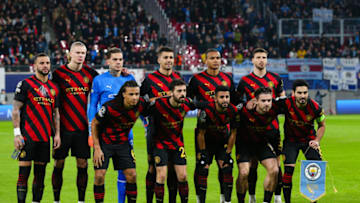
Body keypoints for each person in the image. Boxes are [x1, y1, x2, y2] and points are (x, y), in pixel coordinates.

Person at [236, 48, 285, 203]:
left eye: (264, 57)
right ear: (252, 60)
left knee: (276, 165)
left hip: (271, 129)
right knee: (252, 167)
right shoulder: (245, 81)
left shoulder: (276, 78)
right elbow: (237, 102)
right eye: (258, 57)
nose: (261, 60)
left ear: (267, 60)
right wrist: (246, 105)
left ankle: (276, 196)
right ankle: (251, 197)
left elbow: (282, 100)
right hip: (250, 129)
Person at [51, 41, 98, 203]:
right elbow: (54, 103)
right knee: (58, 164)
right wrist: (55, 131)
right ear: (69, 54)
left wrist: (123, 73)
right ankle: (56, 200)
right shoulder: (58, 74)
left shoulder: (91, 74)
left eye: (83, 53)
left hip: (82, 128)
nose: (80, 56)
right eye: (77, 52)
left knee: (83, 164)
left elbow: (104, 89)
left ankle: (81, 201)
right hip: (63, 128)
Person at [187, 48, 236, 203]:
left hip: (223, 131)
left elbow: (234, 100)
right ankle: (199, 199)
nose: (216, 60)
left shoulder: (228, 79)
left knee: (226, 166)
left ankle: (224, 199)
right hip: (204, 130)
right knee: (202, 167)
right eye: (212, 58)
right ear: (205, 61)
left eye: (218, 58)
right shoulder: (197, 79)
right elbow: (188, 101)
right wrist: (207, 105)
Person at [88, 47, 135, 203]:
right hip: (103, 135)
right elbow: (92, 106)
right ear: (107, 61)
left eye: (120, 59)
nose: (118, 62)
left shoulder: (129, 80)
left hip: (125, 135)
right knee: (100, 175)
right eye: (115, 59)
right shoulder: (99, 80)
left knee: (126, 173)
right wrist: (90, 131)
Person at [12, 53, 61, 203]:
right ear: (35, 66)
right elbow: (15, 110)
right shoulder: (26, 84)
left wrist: (57, 135)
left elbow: (56, 114)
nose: (45, 66)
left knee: (40, 176)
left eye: (47, 63)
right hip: (27, 137)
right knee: (23, 175)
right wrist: (17, 134)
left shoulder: (54, 88)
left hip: (44, 139)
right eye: (42, 63)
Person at [92, 80, 150, 203]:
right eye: (131, 94)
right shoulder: (110, 107)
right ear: (123, 94)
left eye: (137, 94)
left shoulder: (140, 104)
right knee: (99, 176)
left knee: (132, 175)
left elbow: (155, 101)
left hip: (123, 143)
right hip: (105, 143)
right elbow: (95, 123)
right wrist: (97, 148)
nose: (135, 97)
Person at [140, 46, 182, 203]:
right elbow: (142, 107)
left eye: (171, 57)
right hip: (155, 133)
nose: (169, 60)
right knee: (153, 168)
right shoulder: (150, 80)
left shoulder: (178, 79)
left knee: (173, 169)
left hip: (175, 132)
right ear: (159, 60)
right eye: (165, 57)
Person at [151, 79, 203, 203]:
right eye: (179, 91)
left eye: (184, 91)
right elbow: (142, 109)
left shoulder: (186, 104)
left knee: (183, 176)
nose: (183, 94)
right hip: (160, 144)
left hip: (177, 144)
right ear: (170, 93)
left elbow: (205, 105)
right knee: (162, 176)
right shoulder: (158, 104)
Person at [281, 80, 325, 203]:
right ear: (293, 93)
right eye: (299, 93)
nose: (302, 96)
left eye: (305, 93)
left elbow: (322, 125)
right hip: (291, 141)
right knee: (288, 171)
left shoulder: (315, 107)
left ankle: (314, 201)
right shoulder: (286, 104)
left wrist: (317, 140)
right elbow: (271, 111)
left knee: (315, 168)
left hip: (309, 140)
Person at [196, 85, 240, 203]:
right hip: (207, 143)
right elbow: (200, 134)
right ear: (215, 98)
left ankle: (227, 200)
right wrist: (203, 153)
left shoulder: (233, 110)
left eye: (227, 97)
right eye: (221, 97)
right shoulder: (206, 112)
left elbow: (234, 133)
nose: (225, 100)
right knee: (203, 168)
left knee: (227, 166)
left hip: (222, 142)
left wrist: (228, 153)